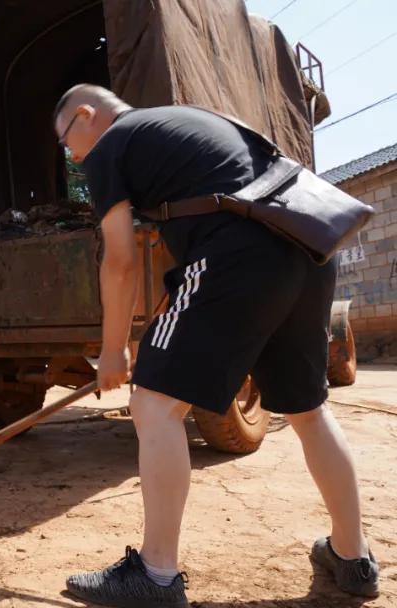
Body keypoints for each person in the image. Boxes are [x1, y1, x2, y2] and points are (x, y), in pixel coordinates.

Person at [51, 84, 379, 607]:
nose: (71, 154)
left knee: (154, 403)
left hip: (241, 250)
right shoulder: (185, 119)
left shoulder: (114, 144)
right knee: (309, 410)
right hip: (305, 243)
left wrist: (113, 349)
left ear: (86, 116)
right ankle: (353, 557)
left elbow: (118, 260)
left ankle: (154, 577)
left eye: (66, 138)